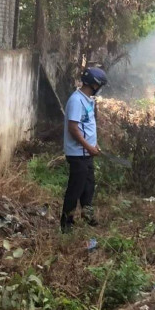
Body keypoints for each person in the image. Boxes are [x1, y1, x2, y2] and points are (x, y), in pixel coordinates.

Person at [61, 67, 107, 233]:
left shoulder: (87, 100)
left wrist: (94, 145)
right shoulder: (76, 100)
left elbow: (86, 126)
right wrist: (88, 147)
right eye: (100, 85)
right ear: (95, 85)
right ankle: (66, 225)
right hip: (78, 154)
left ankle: (87, 216)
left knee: (88, 187)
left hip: (86, 153)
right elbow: (73, 129)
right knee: (75, 189)